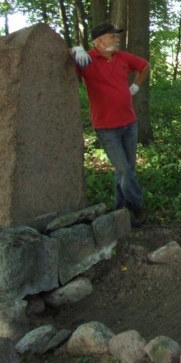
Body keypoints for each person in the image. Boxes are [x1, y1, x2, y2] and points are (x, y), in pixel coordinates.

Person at [71, 23, 151, 228]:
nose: (116, 39)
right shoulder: (87, 59)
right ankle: (137, 206)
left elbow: (145, 66)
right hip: (106, 127)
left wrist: (135, 86)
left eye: (116, 36)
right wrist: (75, 49)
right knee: (124, 170)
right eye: (112, 36)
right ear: (99, 41)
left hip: (130, 123)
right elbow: (62, 59)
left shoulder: (122, 57)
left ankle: (120, 210)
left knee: (126, 170)